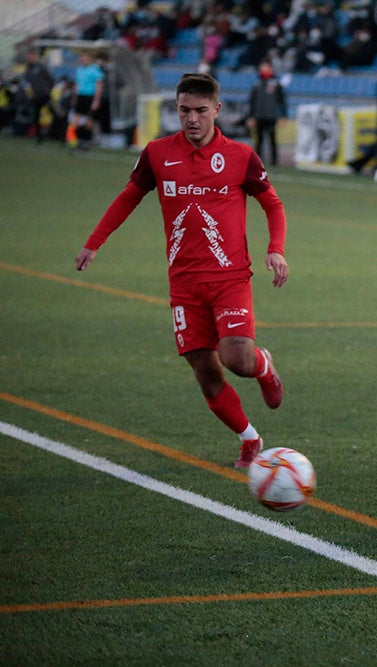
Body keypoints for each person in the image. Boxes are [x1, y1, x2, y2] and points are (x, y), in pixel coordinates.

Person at [73, 72, 288, 469]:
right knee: (206, 374)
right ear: (177, 109)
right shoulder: (157, 153)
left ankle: (263, 365)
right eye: (185, 110)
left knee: (236, 359)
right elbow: (129, 197)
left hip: (230, 277)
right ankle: (250, 439)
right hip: (184, 283)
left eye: (201, 111)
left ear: (217, 110)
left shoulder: (241, 156)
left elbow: (272, 205)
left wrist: (275, 249)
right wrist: (93, 242)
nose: (192, 119)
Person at [246, 61, 287, 166]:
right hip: (259, 116)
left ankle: (274, 163)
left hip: (271, 116)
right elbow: (252, 101)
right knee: (259, 141)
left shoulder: (276, 83)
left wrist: (283, 116)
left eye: (266, 66)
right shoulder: (257, 83)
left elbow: (282, 101)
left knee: (272, 140)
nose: (263, 68)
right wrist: (250, 116)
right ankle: (257, 163)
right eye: (262, 66)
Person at [71, 50, 104, 148]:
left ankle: (86, 141)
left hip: (90, 96)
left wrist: (96, 100)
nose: (83, 60)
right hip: (81, 96)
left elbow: (99, 85)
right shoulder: (79, 70)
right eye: (82, 58)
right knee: (76, 119)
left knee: (89, 120)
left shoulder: (95, 70)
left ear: (90, 59)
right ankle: (75, 140)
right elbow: (77, 85)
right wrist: (75, 97)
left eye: (85, 58)